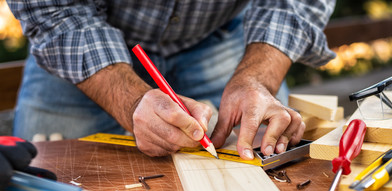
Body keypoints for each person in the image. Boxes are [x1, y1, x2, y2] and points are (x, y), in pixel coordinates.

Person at [7, 0, 336, 160]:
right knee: (48, 174)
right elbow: (52, 9)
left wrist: (257, 79)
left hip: (220, 38)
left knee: (264, 146)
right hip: (77, 47)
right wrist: (132, 100)